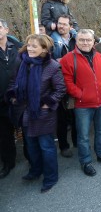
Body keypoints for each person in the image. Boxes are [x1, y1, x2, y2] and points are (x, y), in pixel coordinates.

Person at [7, 34, 66, 193]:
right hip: (24, 113)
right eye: (29, 45)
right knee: (31, 146)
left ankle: (51, 177)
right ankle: (35, 170)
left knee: (46, 147)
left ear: (44, 49)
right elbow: (13, 82)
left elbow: (60, 89)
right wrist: (13, 96)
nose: (30, 48)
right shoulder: (22, 62)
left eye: (34, 46)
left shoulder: (52, 66)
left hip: (42, 114)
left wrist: (47, 103)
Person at [60, 29, 101, 177]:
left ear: (93, 41)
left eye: (88, 40)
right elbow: (68, 82)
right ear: (76, 41)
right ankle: (86, 161)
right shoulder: (68, 59)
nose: (85, 43)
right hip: (82, 105)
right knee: (83, 136)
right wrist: (81, 95)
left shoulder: (100, 57)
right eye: (82, 40)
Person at [51, 14, 77, 158]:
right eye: (59, 23)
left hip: (75, 81)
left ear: (70, 26)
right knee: (61, 117)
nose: (61, 26)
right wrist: (57, 61)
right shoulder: (51, 40)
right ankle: (64, 146)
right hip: (58, 82)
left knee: (76, 114)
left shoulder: (75, 39)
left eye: (64, 24)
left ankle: (77, 141)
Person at [0, 18, 22, 179]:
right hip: (1, 100)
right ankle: (8, 163)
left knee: (26, 130)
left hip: (19, 98)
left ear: (6, 30)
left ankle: (32, 160)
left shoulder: (19, 48)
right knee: (4, 134)